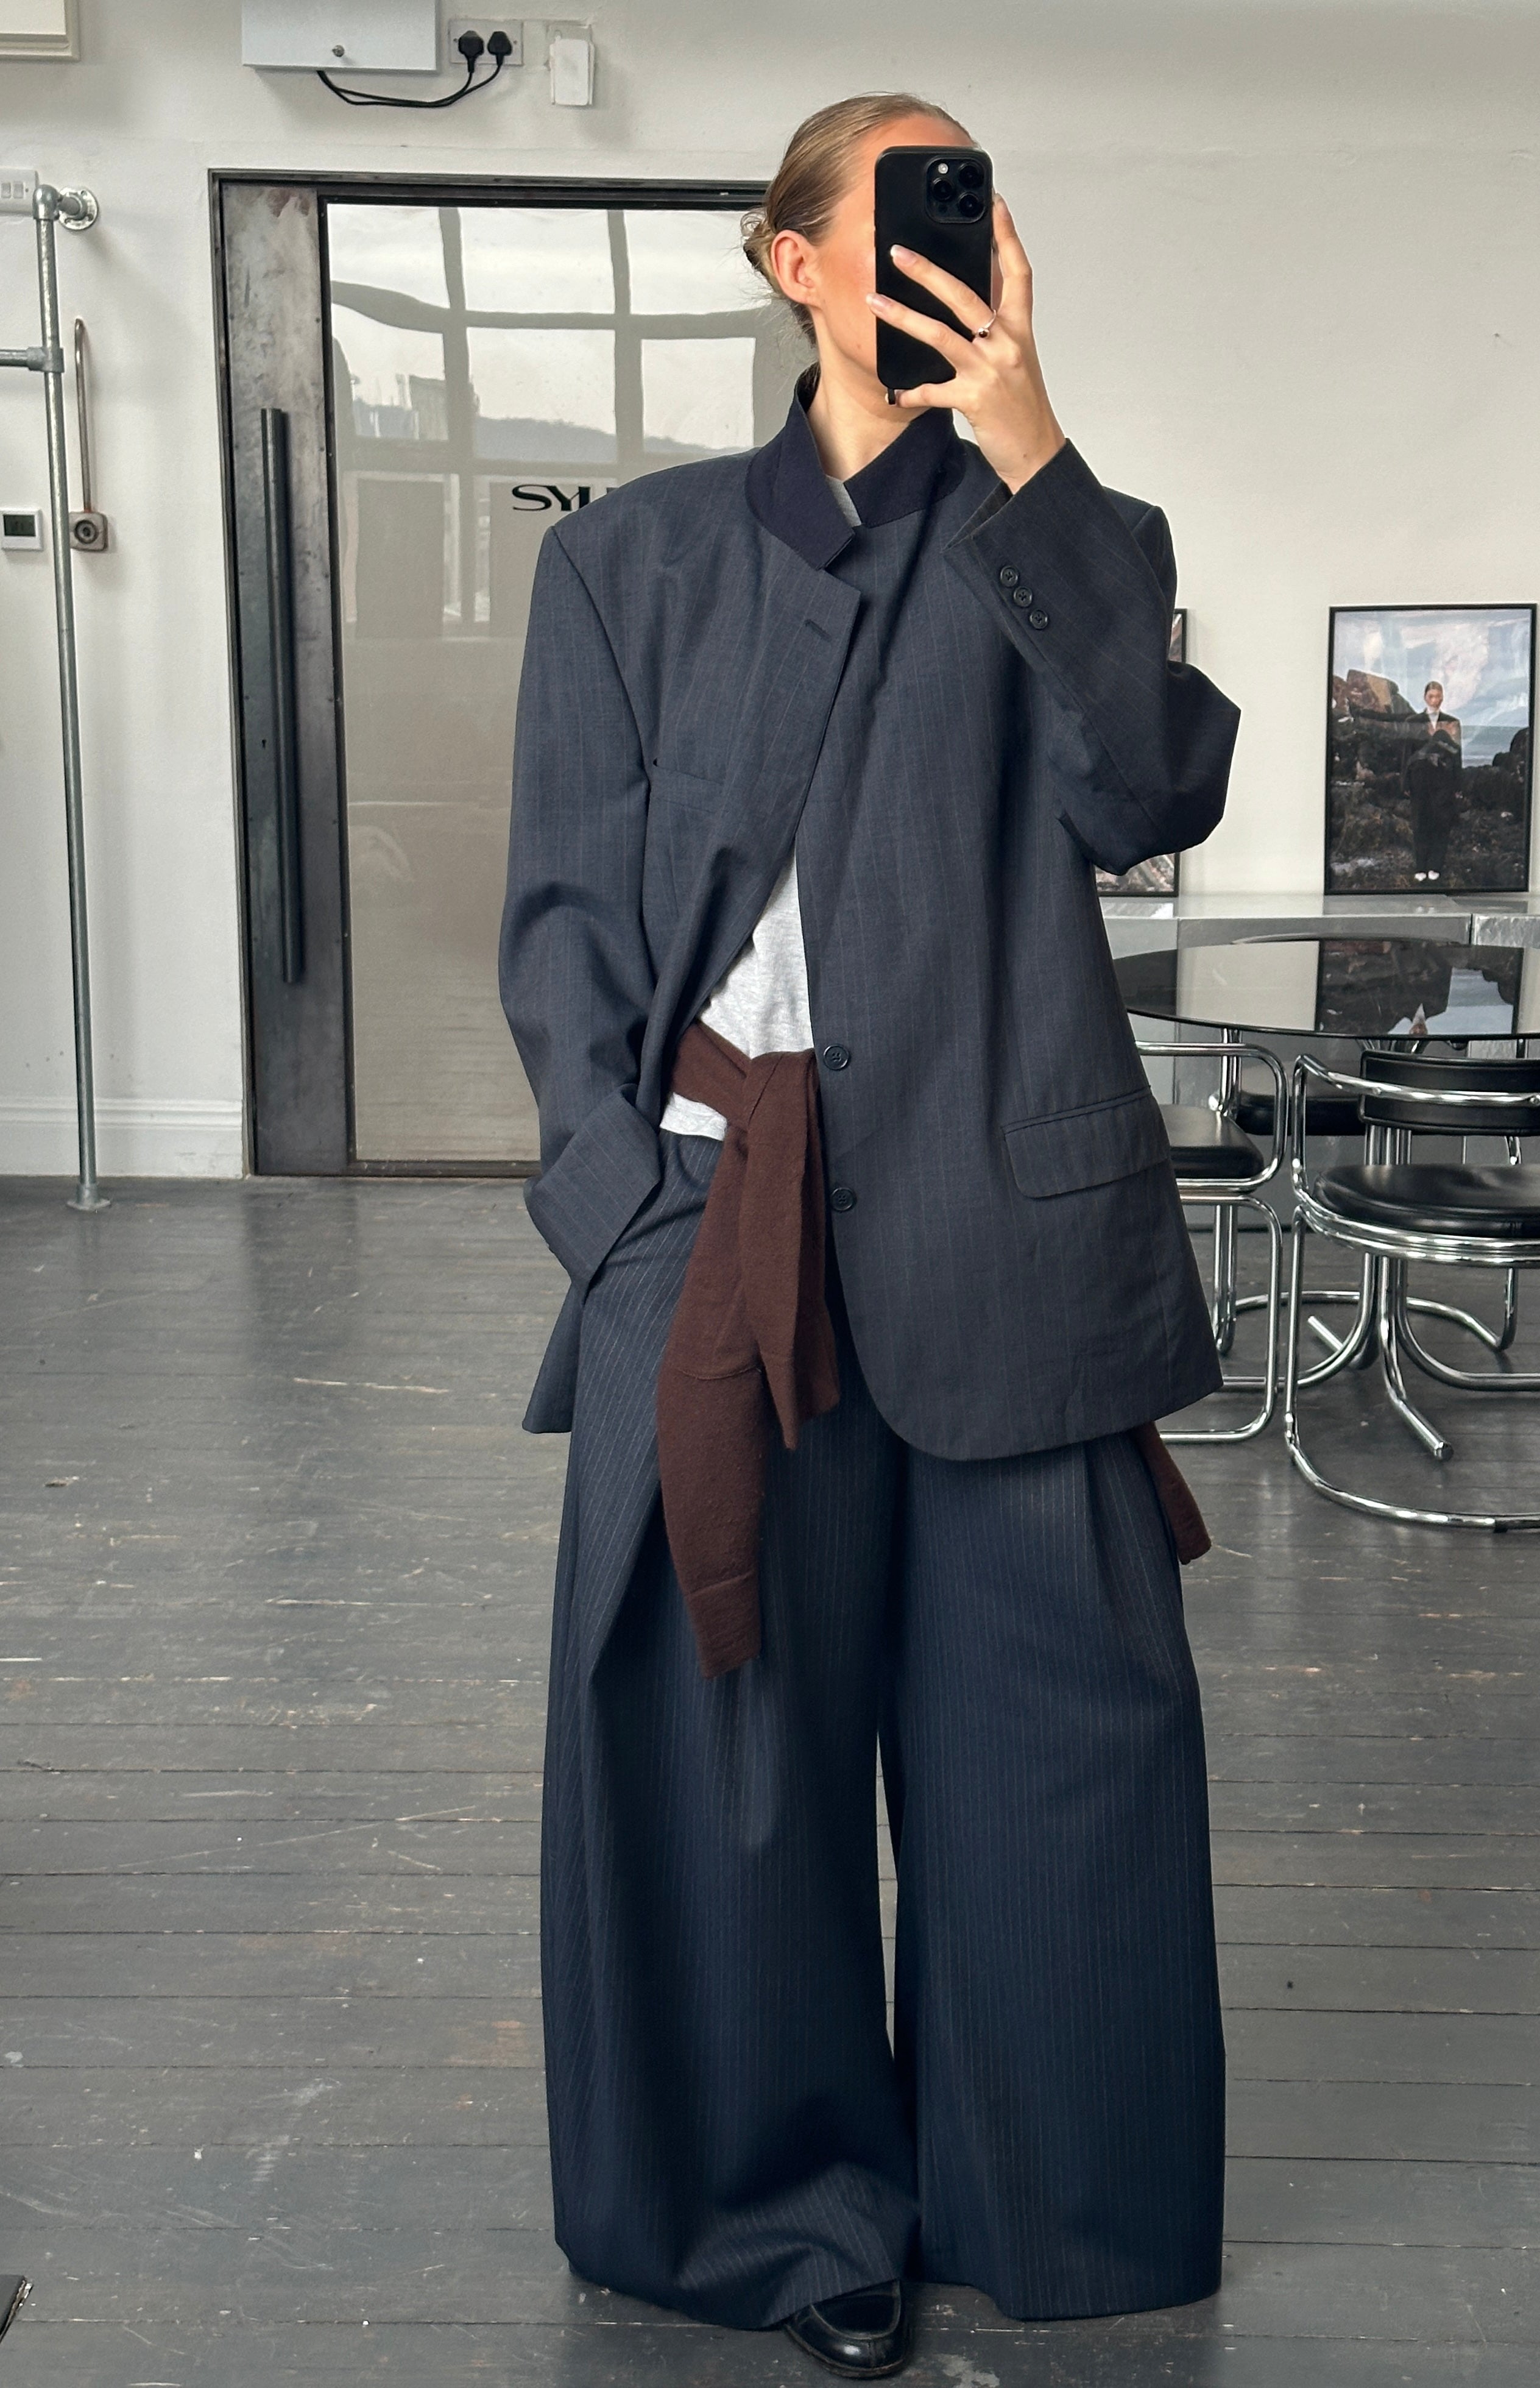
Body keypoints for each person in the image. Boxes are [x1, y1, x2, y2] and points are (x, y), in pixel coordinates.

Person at [500, 92, 1240, 2380]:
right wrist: (618, 1215)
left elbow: (1152, 790)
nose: (951, 241)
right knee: (723, 1771)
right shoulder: (631, 564)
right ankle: (778, 2221)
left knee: (1060, 1758)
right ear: (791, 259)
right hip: (711, 1231)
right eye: (906, 206)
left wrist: (1029, 448)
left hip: (1020, 1228)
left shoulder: (1071, 535)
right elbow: (561, 926)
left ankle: (1054, 2203)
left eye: (977, 208)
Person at [1402, 679, 1461, 884]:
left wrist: (1458, 785)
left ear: (1443, 698)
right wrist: (1405, 782)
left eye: (1438, 696)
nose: (1435, 700)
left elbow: (1457, 755)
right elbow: (1407, 753)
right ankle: (1421, 866)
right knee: (1420, 823)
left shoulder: (1452, 722)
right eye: (1431, 696)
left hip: (1444, 781)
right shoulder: (1413, 722)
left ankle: (1436, 866)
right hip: (1419, 780)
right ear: (1425, 697)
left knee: (1441, 823)